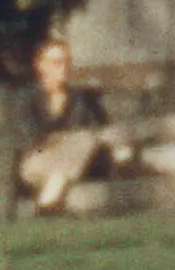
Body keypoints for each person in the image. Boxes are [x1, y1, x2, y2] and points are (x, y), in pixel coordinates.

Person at [14, 34, 124, 215]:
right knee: (81, 140)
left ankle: (48, 201)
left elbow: (97, 130)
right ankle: (49, 201)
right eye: (56, 63)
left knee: (86, 140)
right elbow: (30, 138)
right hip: (38, 160)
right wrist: (64, 139)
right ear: (41, 65)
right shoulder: (27, 98)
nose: (63, 68)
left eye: (67, 62)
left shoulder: (81, 98)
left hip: (74, 158)